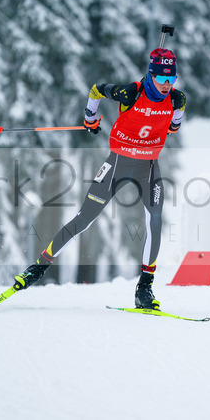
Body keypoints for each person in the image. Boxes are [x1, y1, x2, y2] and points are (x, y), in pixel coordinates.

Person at [12, 48, 186, 310]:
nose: (166, 84)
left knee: (155, 219)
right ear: (151, 75)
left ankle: (144, 288)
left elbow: (174, 126)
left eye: (171, 79)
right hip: (117, 164)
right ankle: (38, 267)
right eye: (161, 78)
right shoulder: (130, 93)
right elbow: (95, 90)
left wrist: (162, 125)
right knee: (84, 218)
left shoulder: (177, 99)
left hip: (148, 167)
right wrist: (90, 118)